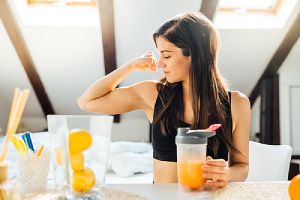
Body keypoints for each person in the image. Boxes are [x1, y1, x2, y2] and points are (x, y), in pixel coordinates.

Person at [77, 11, 250, 188]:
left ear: (195, 54)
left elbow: (242, 167)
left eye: (167, 55)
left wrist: (227, 173)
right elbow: (87, 102)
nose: (160, 63)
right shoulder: (152, 94)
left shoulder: (237, 104)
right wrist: (130, 66)